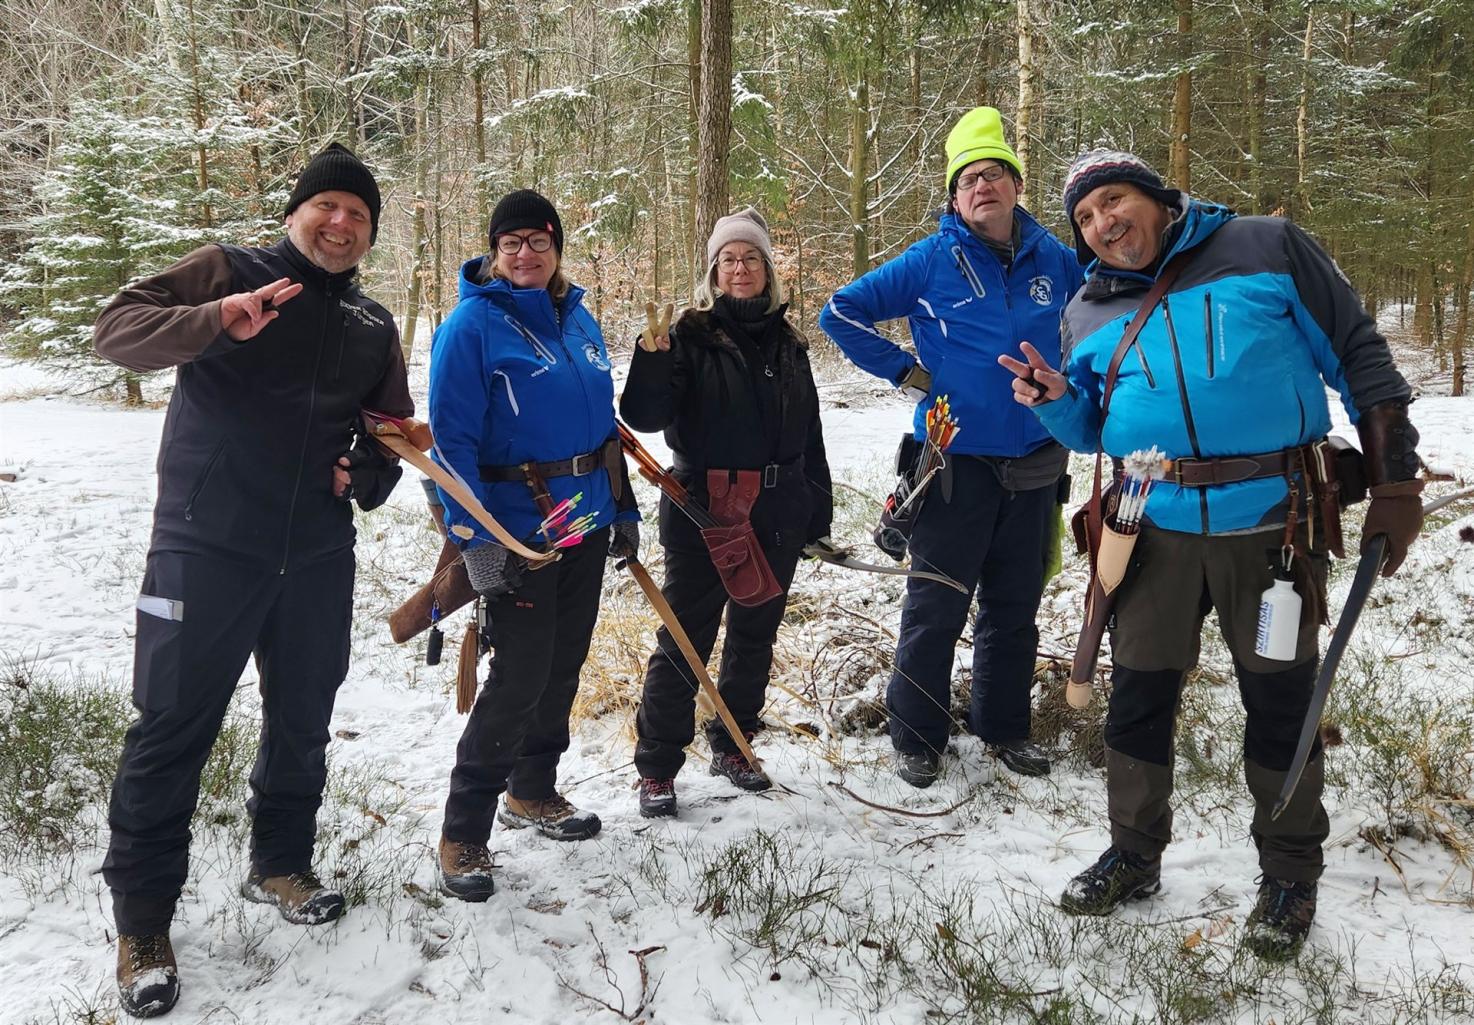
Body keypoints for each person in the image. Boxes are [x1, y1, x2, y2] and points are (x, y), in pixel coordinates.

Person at [999, 149, 1422, 959]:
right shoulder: (1087, 308)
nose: (1101, 224)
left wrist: (1397, 485)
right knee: (1139, 699)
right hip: (1147, 530)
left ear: (1158, 197)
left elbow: (1360, 355)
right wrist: (1058, 402)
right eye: (1085, 218)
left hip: (1271, 526)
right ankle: (1133, 851)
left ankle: (1290, 873)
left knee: (1279, 703)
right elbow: (1095, 427)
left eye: (1113, 201)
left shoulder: (1266, 248)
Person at [94, 143, 411, 1017]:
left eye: (359, 215)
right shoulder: (228, 271)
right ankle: (145, 920)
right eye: (328, 208)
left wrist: (369, 471)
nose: (341, 224)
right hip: (205, 544)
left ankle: (279, 862)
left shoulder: (372, 325)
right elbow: (115, 330)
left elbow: (390, 429)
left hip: (315, 551)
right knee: (171, 726)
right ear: (295, 214)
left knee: (303, 716)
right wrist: (218, 317)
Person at [818, 106, 1080, 788]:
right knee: (936, 605)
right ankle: (917, 735)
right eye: (968, 180)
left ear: (1017, 185)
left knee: (1014, 606)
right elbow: (838, 311)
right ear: (955, 197)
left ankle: (1004, 726)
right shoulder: (933, 259)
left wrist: (1074, 387)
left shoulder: (1057, 259)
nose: (982, 186)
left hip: (1034, 465)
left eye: (994, 173)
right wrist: (907, 370)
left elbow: (1096, 329)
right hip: (951, 464)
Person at [429, 189, 640, 899]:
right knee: (518, 675)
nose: (525, 253)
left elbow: (604, 422)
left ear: (556, 247)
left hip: (584, 520)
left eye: (538, 240)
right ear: (494, 250)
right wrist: (477, 549)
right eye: (511, 241)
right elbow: (450, 449)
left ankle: (533, 787)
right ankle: (464, 830)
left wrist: (623, 506)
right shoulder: (471, 328)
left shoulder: (577, 316)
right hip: (515, 530)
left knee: (563, 664)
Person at [620, 208, 832, 818]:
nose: (740, 269)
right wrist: (651, 356)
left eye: (751, 258)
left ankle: (734, 743)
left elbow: (809, 429)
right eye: (728, 260)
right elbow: (644, 415)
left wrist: (816, 509)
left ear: (768, 270)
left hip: (780, 504)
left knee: (755, 632)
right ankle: (658, 766)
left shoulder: (790, 341)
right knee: (686, 636)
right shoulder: (687, 334)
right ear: (713, 271)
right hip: (703, 507)